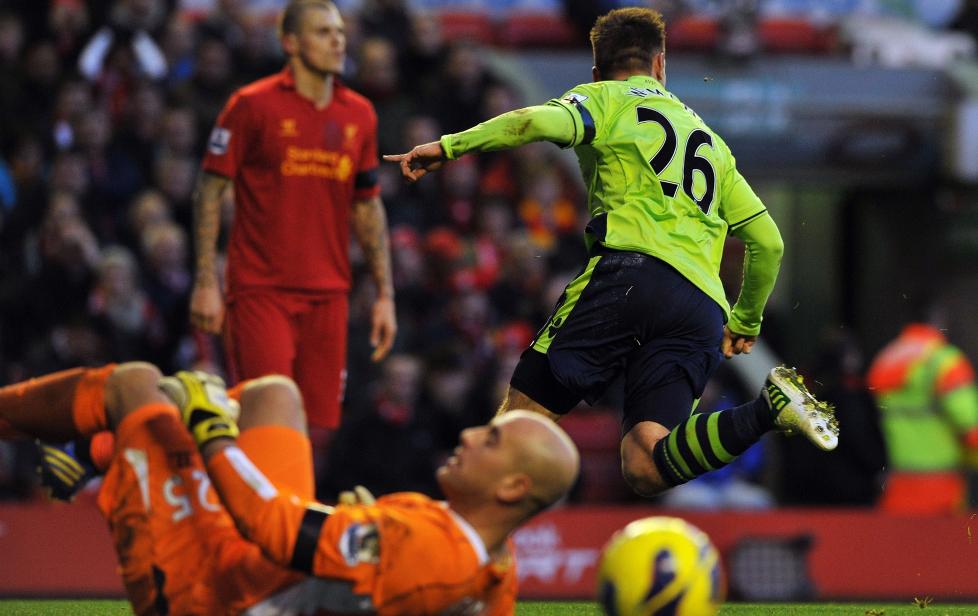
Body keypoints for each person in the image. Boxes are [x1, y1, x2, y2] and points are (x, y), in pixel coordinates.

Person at [386, 7, 838, 498]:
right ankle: (766, 410)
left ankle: (456, 545)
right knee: (646, 464)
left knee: (518, 423)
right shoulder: (710, 141)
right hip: (702, 307)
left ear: (597, 71)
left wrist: (449, 146)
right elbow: (767, 240)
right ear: (660, 66)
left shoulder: (605, 99)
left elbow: (533, 120)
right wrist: (745, 321)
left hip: (630, 275)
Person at [0, 363, 579, 614]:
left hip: (217, 601)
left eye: (492, 441)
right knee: (274, 394)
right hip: (278, 582)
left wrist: (211, 433)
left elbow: (274, 527)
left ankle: (99, 439)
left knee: (134, 386)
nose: (472, 434)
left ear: (512, 488)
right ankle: (104, 449)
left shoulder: (425, 551)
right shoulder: (495, 572)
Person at [189, 0, 396, 443]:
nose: (337, 40)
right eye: (323, 32)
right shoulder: (251, 105)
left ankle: (295, 512)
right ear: (290, 43)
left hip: (329, 294)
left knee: (316, 429)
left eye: (340, 31)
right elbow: (210, 189)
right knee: (266, 419)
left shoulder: (359, 114)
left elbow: (366, 203)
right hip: (261, 292)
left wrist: (384, 294)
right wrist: (206, 280)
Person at [867, 303, 978, 514]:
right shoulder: (945, 360)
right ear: (939, 321)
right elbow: (970, 424)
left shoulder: (885, 359)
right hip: (941, 484)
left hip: (895, 483)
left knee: (901, 545)